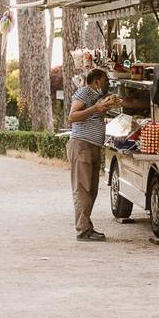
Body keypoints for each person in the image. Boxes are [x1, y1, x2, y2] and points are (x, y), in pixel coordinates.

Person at [67, 68, 120, 242]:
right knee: (83, 190)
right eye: (105, 81)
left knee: (91, 190)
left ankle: (86, 226)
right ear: (96, 81)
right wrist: (95, 108)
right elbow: (72, 116)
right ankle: (83, 230)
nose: (107, 84)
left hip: (93, 147)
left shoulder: (98, 97)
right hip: (82, 146)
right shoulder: (84, 93)